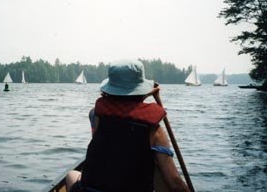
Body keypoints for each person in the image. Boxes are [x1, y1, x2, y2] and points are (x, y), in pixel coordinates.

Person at [66, 59, 190, 192]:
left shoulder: (96, 116)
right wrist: (147, 93)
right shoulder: (155, 132)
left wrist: (142, 93)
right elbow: (175, 184)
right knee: (159, 173)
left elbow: (119, 108)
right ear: (141, 90)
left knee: (71, 175)